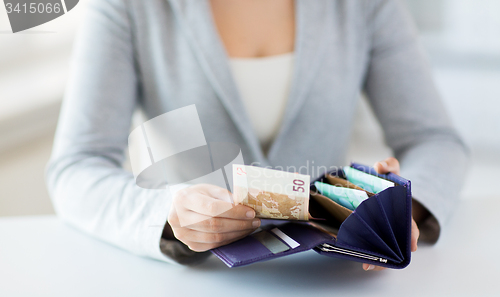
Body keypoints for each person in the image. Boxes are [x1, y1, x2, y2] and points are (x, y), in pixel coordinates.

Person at [46, 0, 469, 271]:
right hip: (195, 294)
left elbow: (434, 139)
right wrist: (167, 213)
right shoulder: (125, 7)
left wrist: (397, 208)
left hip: (329, 286)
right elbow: (77, 165)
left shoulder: (366, 6)